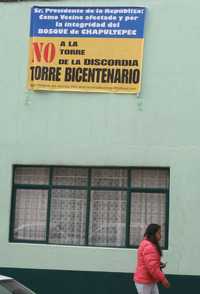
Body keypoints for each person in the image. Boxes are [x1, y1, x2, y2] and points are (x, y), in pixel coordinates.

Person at [133, 223, 170, 294]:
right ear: (153, 234)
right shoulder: (149, 246)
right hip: (145, 282)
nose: (160, 235)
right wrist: (163, 279)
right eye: (159, 233)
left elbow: (150, 262)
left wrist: (159, 263)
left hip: (149, 280)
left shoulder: (149, 244)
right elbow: (152, 268)